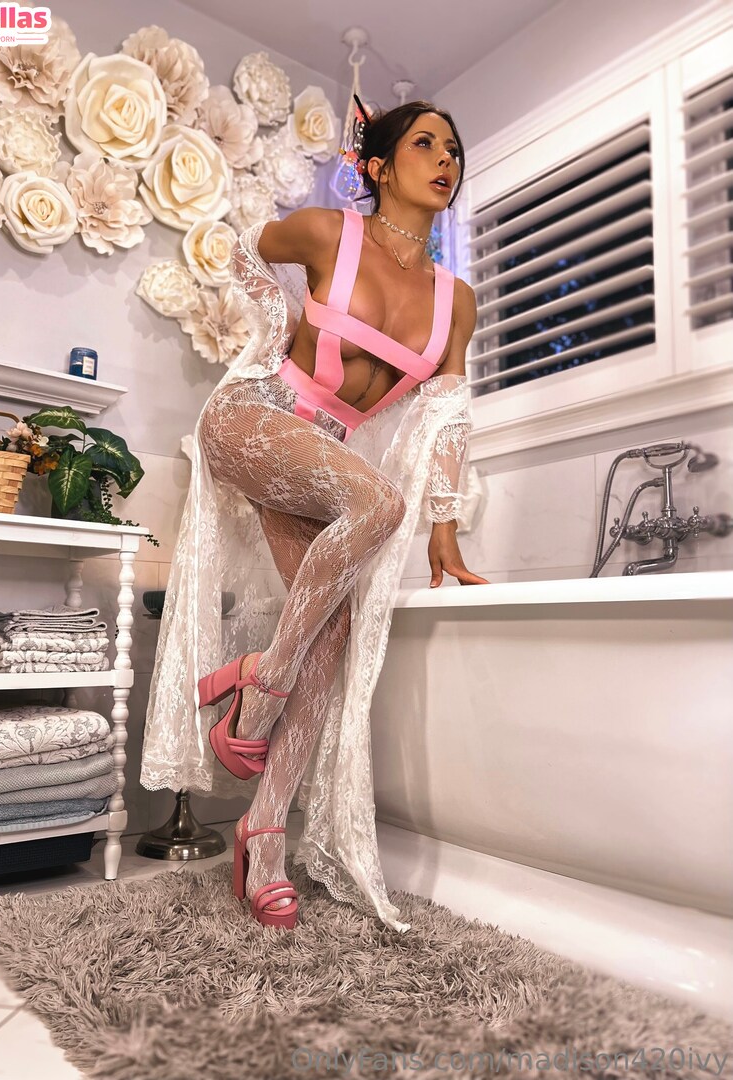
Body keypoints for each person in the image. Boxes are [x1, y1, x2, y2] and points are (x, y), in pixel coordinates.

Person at [141, 99, 487, 933]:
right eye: (425, 144)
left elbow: (446, 416)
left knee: (332, 634)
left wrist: (446, 529)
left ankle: (263, 837)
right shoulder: (329, 234)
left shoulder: (457, 301)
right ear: (377, 166)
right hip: (254, 417)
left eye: (453, 148)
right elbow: (238, 246)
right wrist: (275, 325)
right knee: (378, 500)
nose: (445, 159)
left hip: (320, 456)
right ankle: (259, 690)